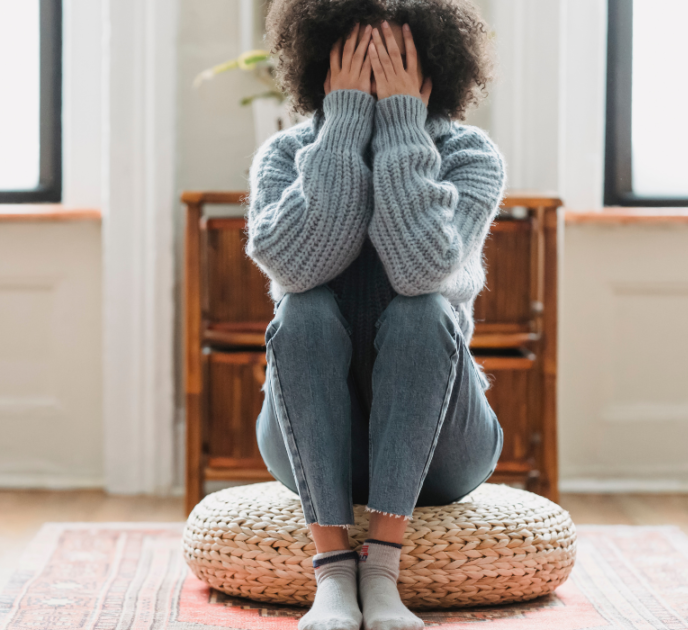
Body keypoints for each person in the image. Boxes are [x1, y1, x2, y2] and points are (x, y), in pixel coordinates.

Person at [246, 1, 506, 628]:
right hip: (307, 442)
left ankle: (383, 571)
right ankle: (334, 574)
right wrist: (342, 128)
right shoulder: (285, 155)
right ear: (323, 63)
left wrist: (401, 127)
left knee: (423, 311)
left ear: (432, 65)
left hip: (444, 448)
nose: (376, 69)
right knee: (303, 309)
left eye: (394, 58)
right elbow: (300, 268)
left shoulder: (470, 156)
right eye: (359, 55)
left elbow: (421, 269)